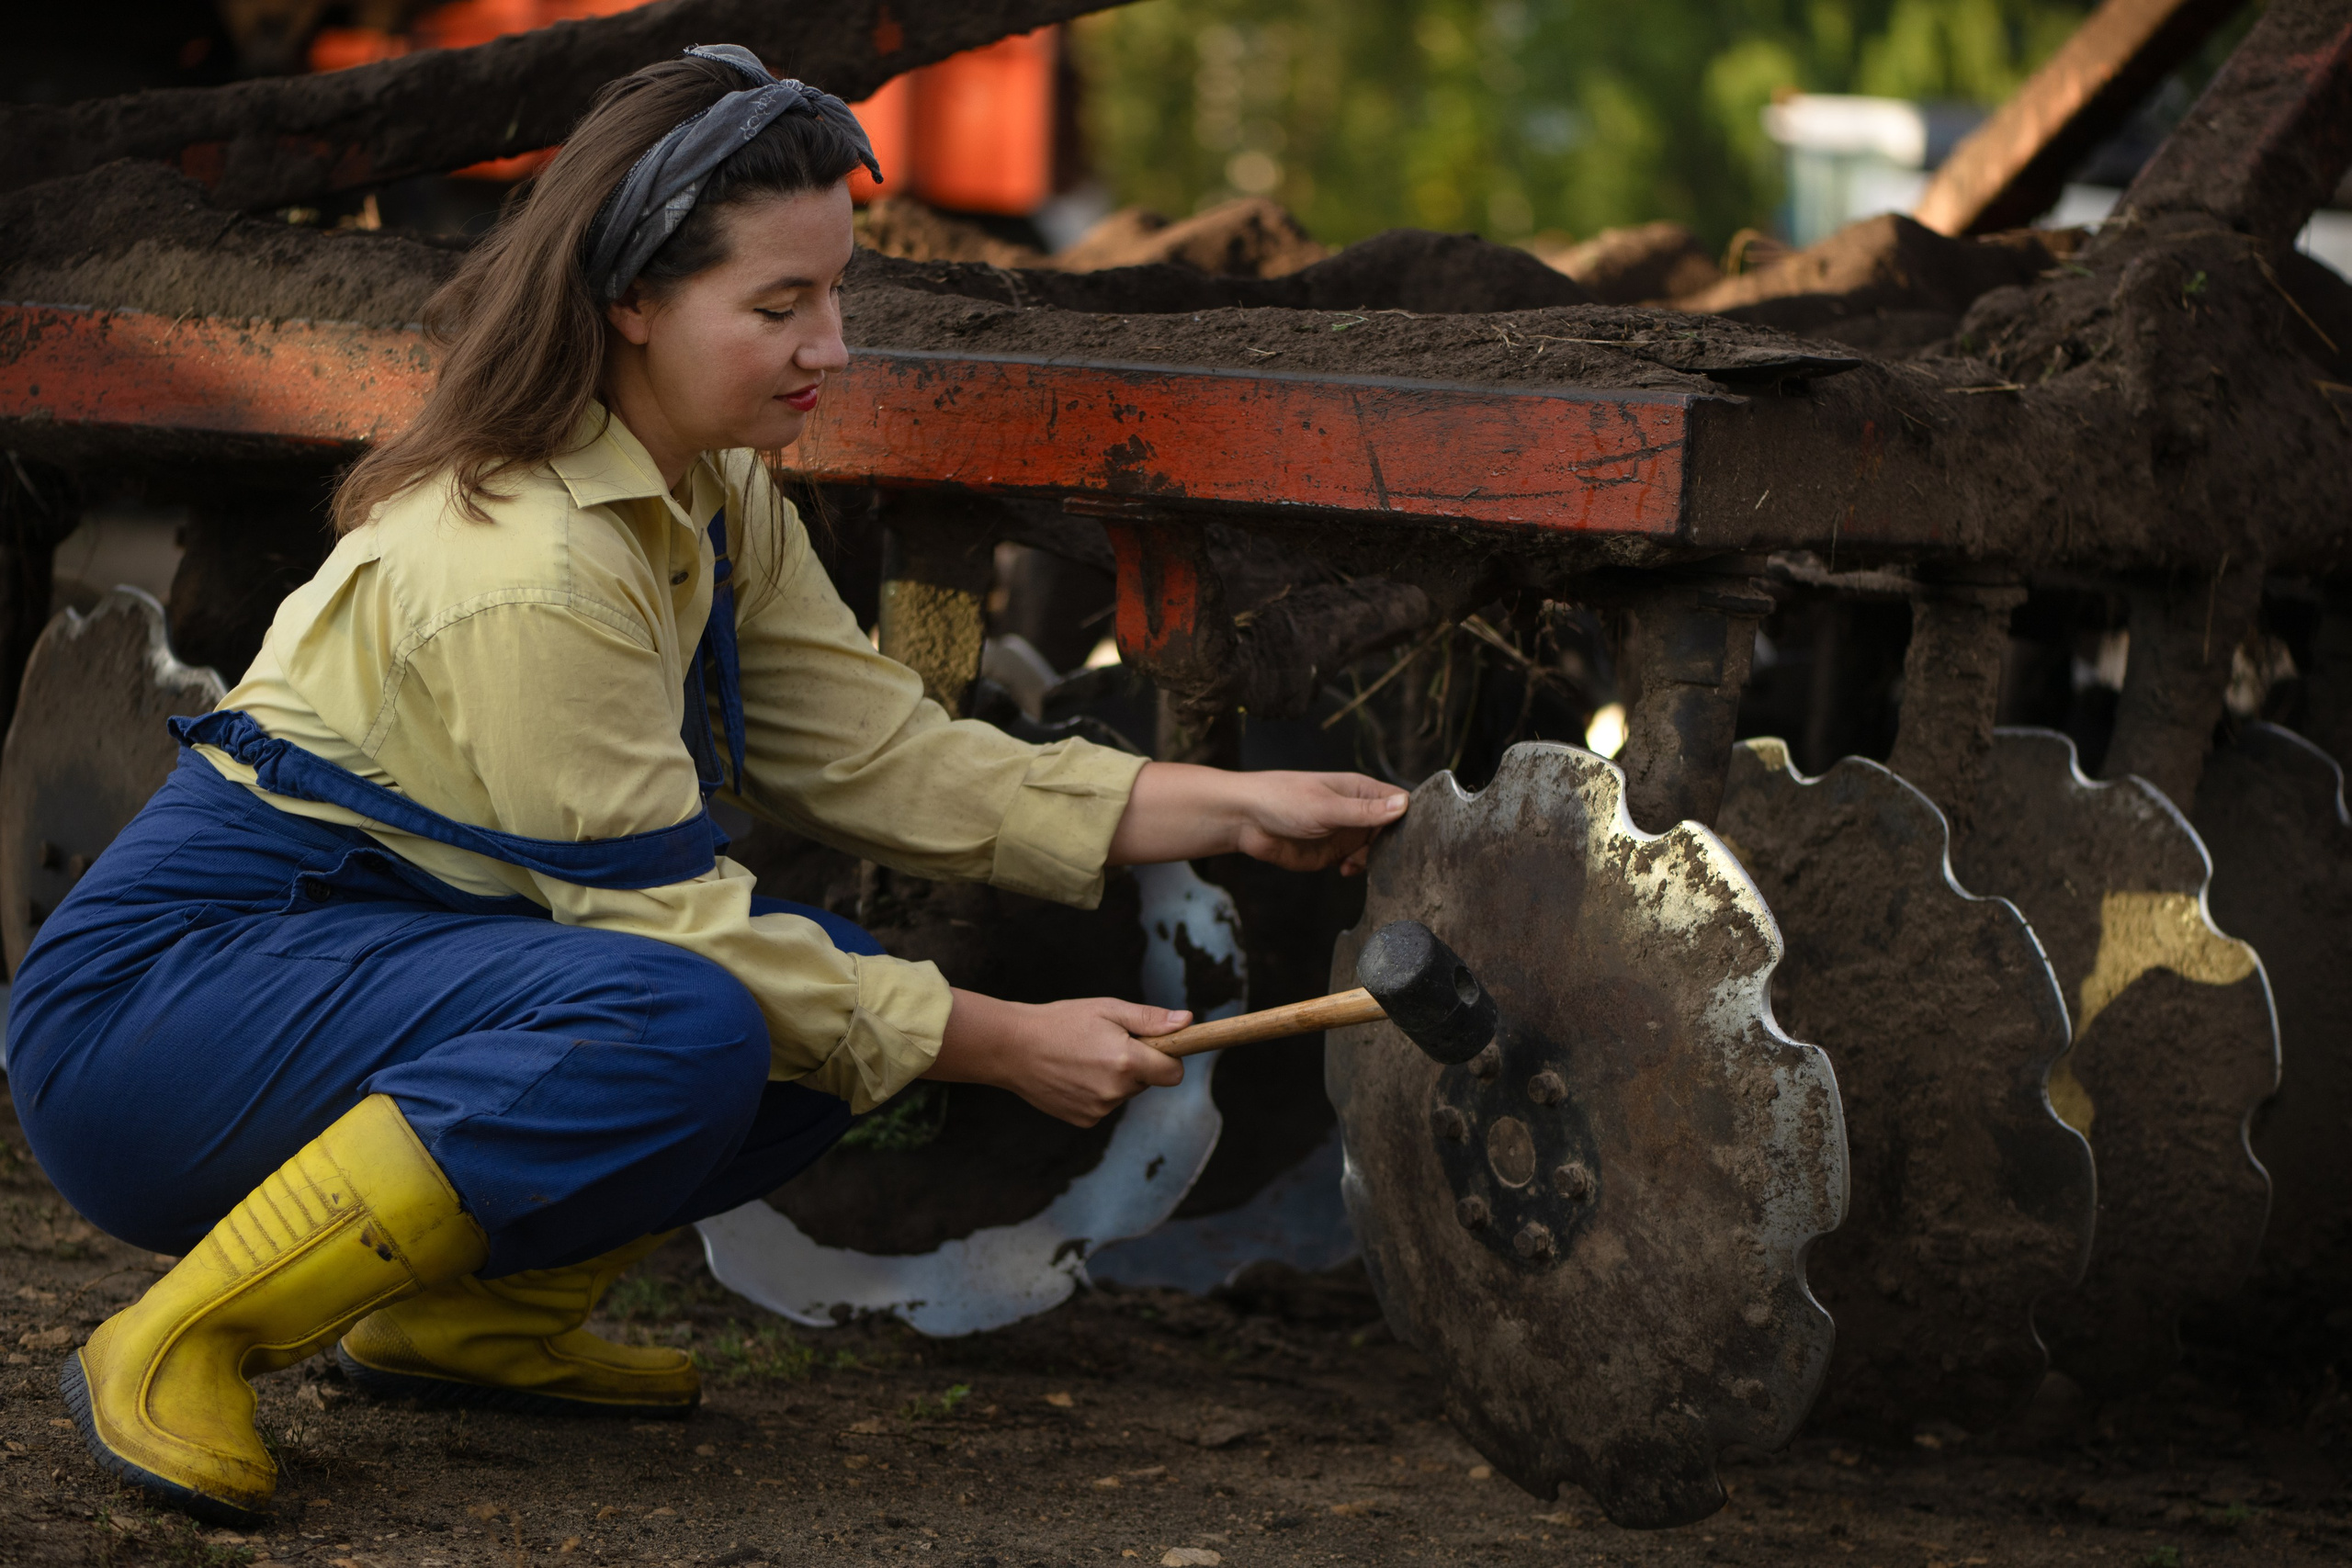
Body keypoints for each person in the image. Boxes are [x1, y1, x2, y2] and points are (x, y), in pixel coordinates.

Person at [5, 46, 1407, 1528]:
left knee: (830, 998)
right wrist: (999, 1040)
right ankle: (176, 1340)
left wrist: (1226, 806)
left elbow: (869, 749)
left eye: (836, 294)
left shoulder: (705, 481)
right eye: (780, 306)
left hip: (356, 976)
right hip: (156, 1034)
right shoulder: (527, 562)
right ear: (631, 303)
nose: (836, 348)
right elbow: (665, 938)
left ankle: (466, 1324)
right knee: (697, 1012)